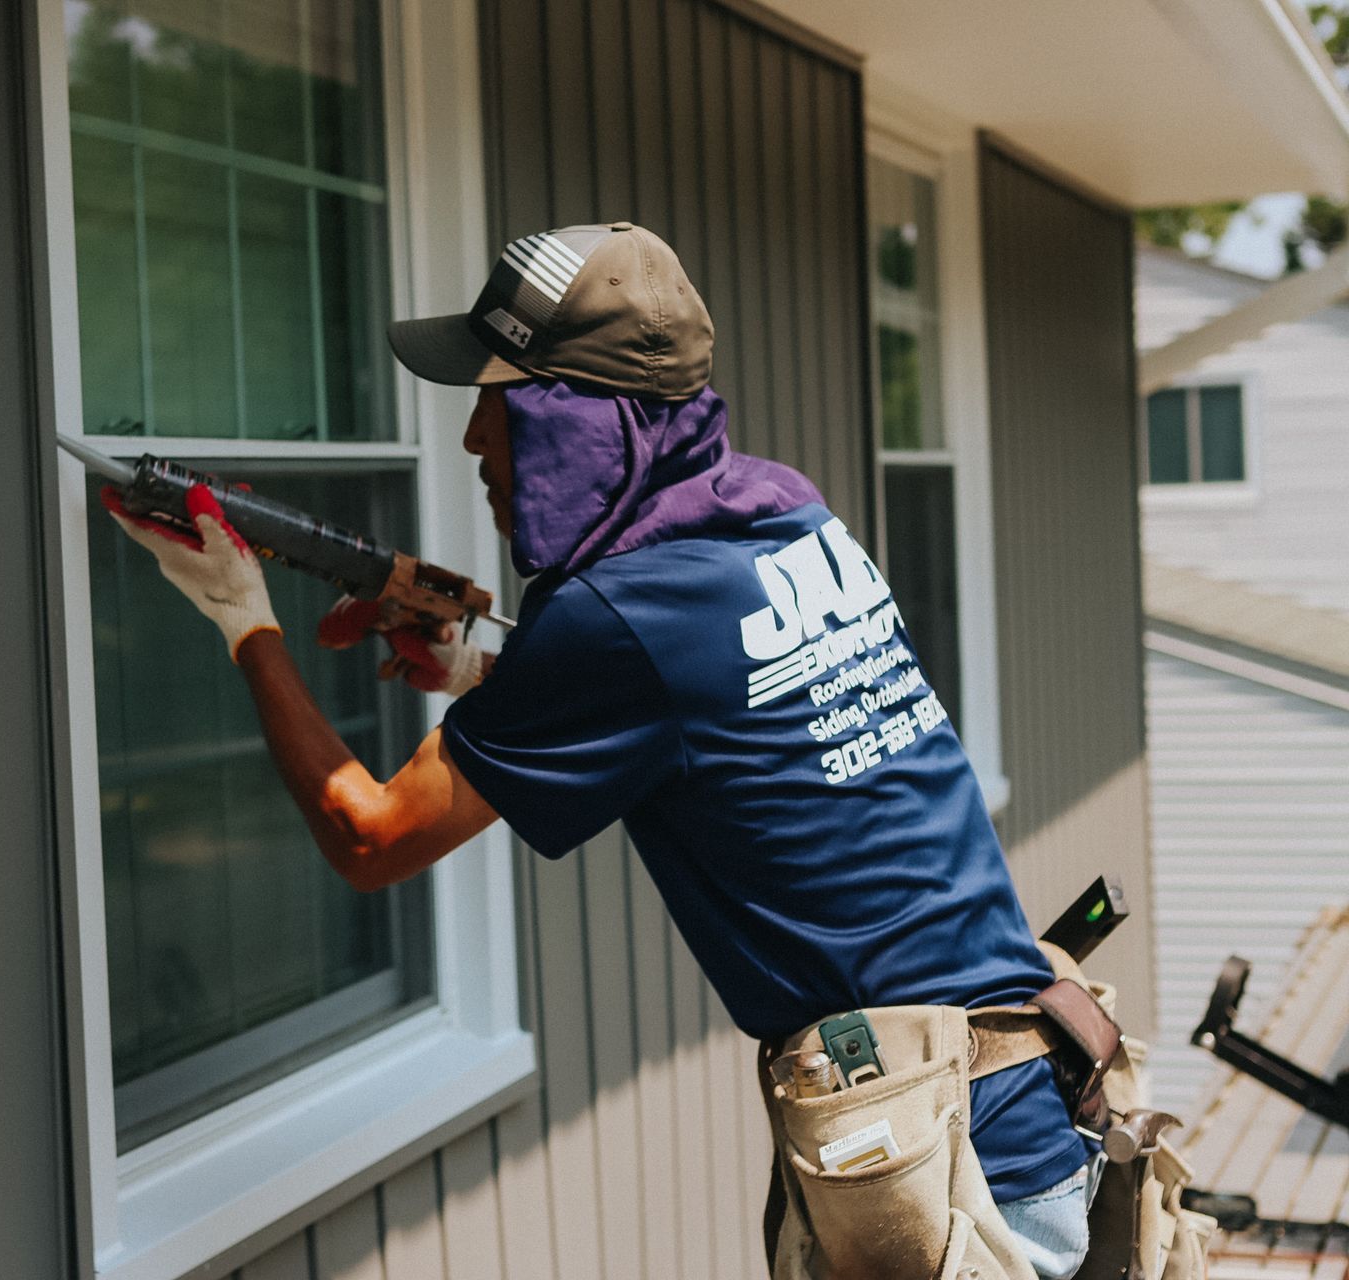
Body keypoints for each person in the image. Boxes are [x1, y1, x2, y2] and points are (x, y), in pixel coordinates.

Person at [106, 222, 1092, 1278]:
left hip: (951, 1170)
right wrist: (488, 673)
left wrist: (241, 615)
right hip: (1023, 1094)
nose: (474, 439)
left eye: (500, 399)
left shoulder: (616, 619)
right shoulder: (785, 512)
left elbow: (369, 833)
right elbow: (719, 704)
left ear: (577, 419)